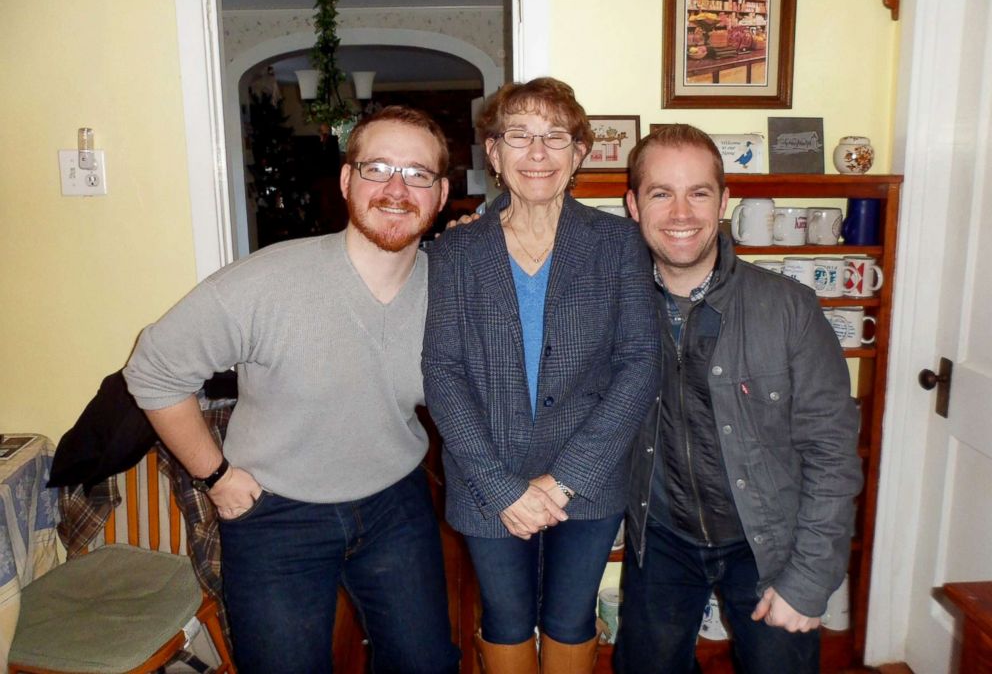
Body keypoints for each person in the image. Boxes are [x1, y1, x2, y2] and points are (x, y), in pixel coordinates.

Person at [123, 106, 460, 674]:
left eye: (418, 173)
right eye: (377, 167)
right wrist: (217, 477)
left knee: (426, 664)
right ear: (348, 180)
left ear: (441, 193)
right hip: (275, 515)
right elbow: (153, 371)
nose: (397, 189)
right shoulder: (267, 282)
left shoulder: (453, 289)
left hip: (395, 505)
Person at [421, 78, 662, 674]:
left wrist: (564, 480)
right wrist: (504, 489)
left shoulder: (619, 244)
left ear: (579, 153)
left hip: (590, 477)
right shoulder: (453, 252)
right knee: (504, 619)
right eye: (519, 136)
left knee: (571, 617)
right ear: (494, 154)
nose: (537, 153)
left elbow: (640, 363)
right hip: (486, 479)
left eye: (555, 137)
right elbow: (442, 372)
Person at [614, 124, 863, 674]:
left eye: (699, 192)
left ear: (724, 201)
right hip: (661, 537)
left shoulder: (790, 308)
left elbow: (833, 453)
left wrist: (809, 581)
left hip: (769, 544)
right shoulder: (612, 304)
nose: (682, 213)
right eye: (661, 192)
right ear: (633, 205)